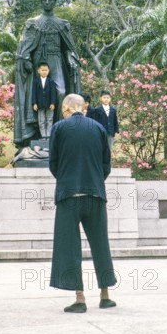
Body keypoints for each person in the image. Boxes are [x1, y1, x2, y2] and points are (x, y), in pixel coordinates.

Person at [48, 94, 117, 313]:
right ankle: (105, 295)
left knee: (69, 247)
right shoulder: (98, 128)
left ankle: (80, 298)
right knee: (100, 244)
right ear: (83, 108)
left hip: (69, 195)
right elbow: (107, 164)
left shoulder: (59, 128)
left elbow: (53, 163)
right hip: (95, 193)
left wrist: (68, 180)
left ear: (67, 109)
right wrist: (94, 181)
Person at [14, 0, 81, 148]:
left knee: (61, 92)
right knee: (37, 96)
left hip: (56, 62)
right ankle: (39, 133)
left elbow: (69, 49)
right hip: (39, 64)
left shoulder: (62, 23)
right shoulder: (33, 22)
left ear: (55, 1)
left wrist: (71, 59)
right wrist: (26, 59)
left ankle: (57, 129)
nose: (47, 2)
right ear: (41, 1)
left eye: (51, 0)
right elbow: (24, 47)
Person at [31, 62, 58, 139]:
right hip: (40, 104)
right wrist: (34, 103)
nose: (44, 72)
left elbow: (53, 93)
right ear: (38, 71)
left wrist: (53, 103)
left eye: (46, 70)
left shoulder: (51, 81)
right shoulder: (36, 82)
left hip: (49, 104)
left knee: (49, 119)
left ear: (48, 71)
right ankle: (43, 136)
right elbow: (34, 93)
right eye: (42, 70)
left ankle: (48, 135)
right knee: (41, 121)